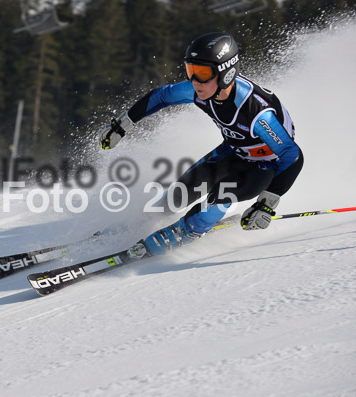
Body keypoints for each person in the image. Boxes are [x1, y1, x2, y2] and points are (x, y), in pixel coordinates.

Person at [97, 32, 303, 257]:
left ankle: (189, 230)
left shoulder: (257, 114)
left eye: (202, 74)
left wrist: (266, 203)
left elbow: (292, 157)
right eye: (191, 71)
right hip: (232, 153)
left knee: (216, 202)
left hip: (264, 167)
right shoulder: (201, 91)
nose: (195, 82)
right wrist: (122, 124)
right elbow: (162, 96)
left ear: (226, 73)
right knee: (176, 196)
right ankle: (141, 223)